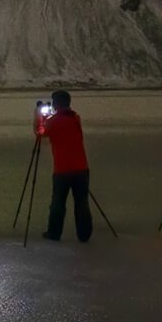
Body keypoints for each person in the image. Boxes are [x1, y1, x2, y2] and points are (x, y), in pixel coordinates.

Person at [35, 90, 93, 243]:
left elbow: (40, 132)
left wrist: (39, 117)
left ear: (55, 104)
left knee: (58, 203)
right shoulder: (75, 118)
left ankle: (54, 233)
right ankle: (84, 234)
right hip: (81, 168)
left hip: (62, 170)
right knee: (82, 202)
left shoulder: (54, 121)